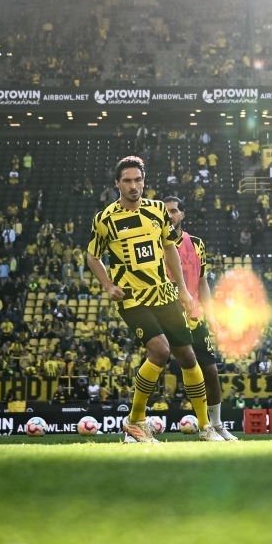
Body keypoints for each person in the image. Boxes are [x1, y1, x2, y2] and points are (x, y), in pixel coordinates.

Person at [85, 156, 211, 445]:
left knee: (188, 356)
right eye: (127, 180)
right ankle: (136, 420)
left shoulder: (157, 210)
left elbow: (170, 248)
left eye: (138, 180)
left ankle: (206, 427)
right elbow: (92, 256)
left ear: (144, 181)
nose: (134, 186)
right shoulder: (105, 219)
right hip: (132, 298)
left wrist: (183, 290)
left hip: (164, 293)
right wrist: (108, 285)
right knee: (160, 351)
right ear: (117, 183)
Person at [163, 195, 234, 440]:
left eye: (174, 211)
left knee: (211, 371)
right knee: (159, 363)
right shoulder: (155, 244)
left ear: (182, 214)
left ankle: (216, 425)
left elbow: (203, 282)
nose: (170, 215)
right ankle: (136, 422)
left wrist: (211, 315)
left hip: (195, 316)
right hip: (167, 315)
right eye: (166, 211)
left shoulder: (196, 244)